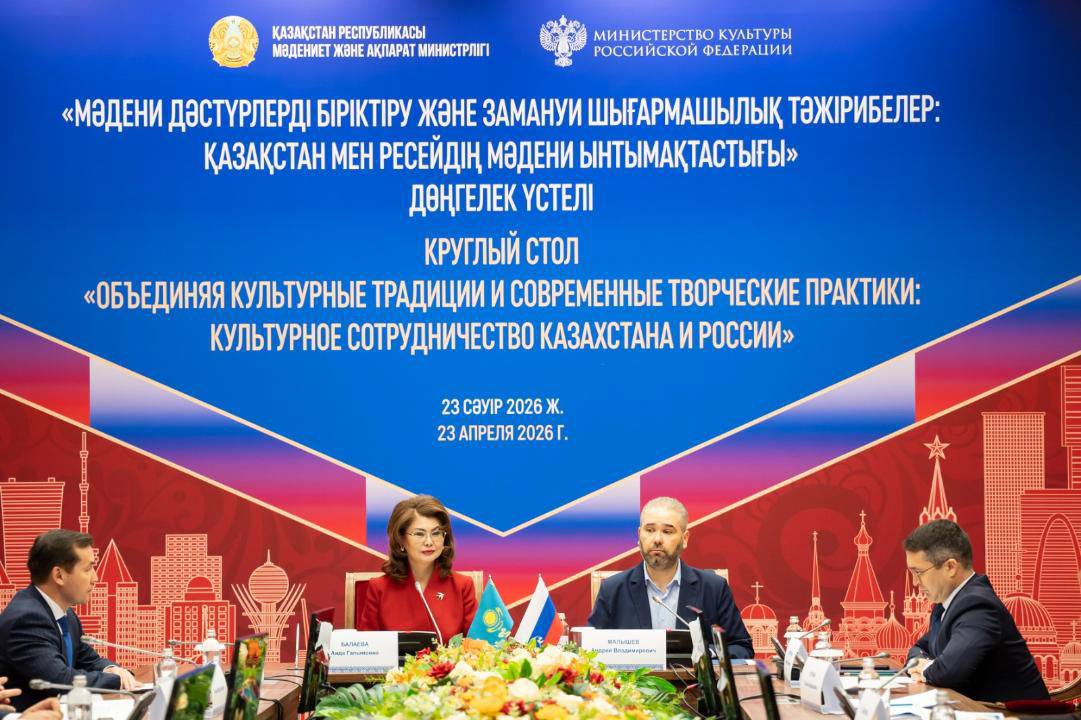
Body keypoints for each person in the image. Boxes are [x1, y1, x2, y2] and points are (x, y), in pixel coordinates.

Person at [587, 496, 754, 658]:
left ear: (685, 539)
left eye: (667, 531)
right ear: (639, 535)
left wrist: (706, 655)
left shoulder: (714, 588)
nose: (657, 539)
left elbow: (741, 647)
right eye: (649, 530)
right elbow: (590, 651)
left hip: (693, 678)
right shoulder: (612, 589)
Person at [905, 519, 1048, 702]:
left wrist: (924, 668)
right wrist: (923, 664)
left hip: (1015, 714)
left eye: (918, 572)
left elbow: (948, 671)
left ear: (950, 567)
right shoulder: (946, 605)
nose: (915, 583)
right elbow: (918, 649)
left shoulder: (977, 605)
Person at [0, 530, 138, 712]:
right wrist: (118, 680)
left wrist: (111, 668)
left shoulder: (65, 613)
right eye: (88, 569)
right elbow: (61, 680)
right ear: (59, 575)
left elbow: (88, 659)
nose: (95, 578)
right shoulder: (26, 619)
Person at [357, 495, 477, 643]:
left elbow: (476, 645)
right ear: (401, 539)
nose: (429, 542)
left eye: (436, 533)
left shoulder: (462, 586)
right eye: (419, 534)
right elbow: (367, 648)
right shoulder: (379, 588)